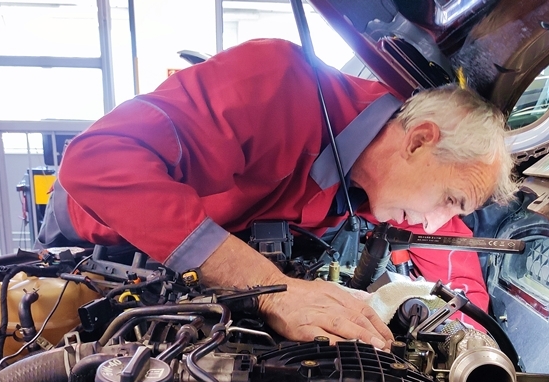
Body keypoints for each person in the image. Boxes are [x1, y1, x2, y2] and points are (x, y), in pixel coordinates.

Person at [39, 38, 518, 348]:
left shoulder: (381, 188)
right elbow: (96, 160)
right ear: (419, 141)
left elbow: (450, 252)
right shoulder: (275, 81)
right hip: (96, 239)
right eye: (451, 199)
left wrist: (474, 338)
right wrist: (272, 290)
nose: (436, 222)